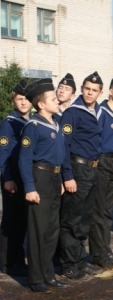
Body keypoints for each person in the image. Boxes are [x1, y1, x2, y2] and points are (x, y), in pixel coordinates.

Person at [18, 78, 68, 293]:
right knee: (38, 231)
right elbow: (24, 159)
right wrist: (29, 187)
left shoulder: (56, 123)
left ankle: (48, 274)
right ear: (41, 104)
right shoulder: (33, 126)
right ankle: (36, 278)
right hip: (40, 179)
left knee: (51, 230)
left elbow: (62, 155)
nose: (57, 101)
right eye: (53, 99)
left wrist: (63, 179)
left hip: (54, 180)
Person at [59, 71, 104, 280]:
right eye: (87, 89)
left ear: (99, 93)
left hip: (92, 170)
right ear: (82, 89)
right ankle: (68, 264)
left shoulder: (96, 112)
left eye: (94, 90)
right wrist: (67, 176)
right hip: (77, 170)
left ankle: (80, 261)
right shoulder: (73, 113)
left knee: (85, 219)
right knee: (71, 219)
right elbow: (64, 146)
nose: (90, 93)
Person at [89, 74, 113, 269]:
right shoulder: (101, 111)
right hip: (102, 162)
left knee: (107, 210)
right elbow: (95, 139)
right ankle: (98, 253)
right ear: (111, 91)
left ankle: (106, 249)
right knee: (99, 211)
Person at [0, 80, 30, 277]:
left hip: (24, 178)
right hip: (12, 178)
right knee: (11, 222)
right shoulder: (9, 123)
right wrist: (7, 178)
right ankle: (7, 263)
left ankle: (18, 259)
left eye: (27, 98)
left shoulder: (30, 121)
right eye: (19, 99)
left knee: (21, 222)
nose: (23, 102)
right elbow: (3, 153)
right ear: (14, 101)